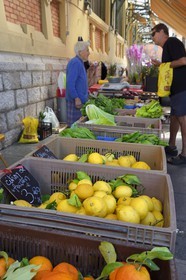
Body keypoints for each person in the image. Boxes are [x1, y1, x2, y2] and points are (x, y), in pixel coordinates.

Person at [151, 23, 186, 165]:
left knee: (182, 118)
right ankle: (172, 147)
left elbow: (183, 60)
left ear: (161, 32)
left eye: (153, 34)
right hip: (176, 89)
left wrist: (165, 65)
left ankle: (185, 154)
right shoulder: (167, 47)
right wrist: (161, 64)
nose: (152, 37)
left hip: (181, 87)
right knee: (174, 117)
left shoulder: (172, 42)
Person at [66, 40, 90, 127]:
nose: (89, 53)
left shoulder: (80, 62)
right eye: (87, 50)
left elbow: (80, 82)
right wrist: (76, 98)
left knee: (78, 129)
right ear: (80, 52)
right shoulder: (75, 63)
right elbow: (70, 82)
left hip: (79, 103)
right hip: (75, 103)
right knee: (74, 129)